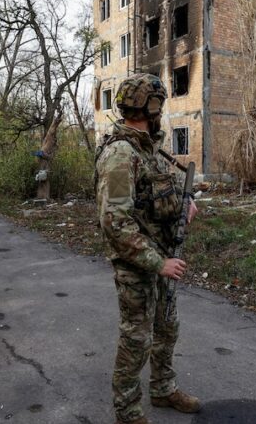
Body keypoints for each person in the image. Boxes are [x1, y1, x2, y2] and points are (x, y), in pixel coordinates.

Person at [95, 74, 200, 424]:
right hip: (138, 264)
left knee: (167, 329)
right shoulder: (120, 154)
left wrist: (184, 209)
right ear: (150, 106)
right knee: (136, 339)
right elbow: (115, 223)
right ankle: (126, 410)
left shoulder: (150, 150)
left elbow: (156, 202)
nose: (161, 111)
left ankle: (163, 388)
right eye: (159, 104)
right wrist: (159, 263)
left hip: (162, 258)